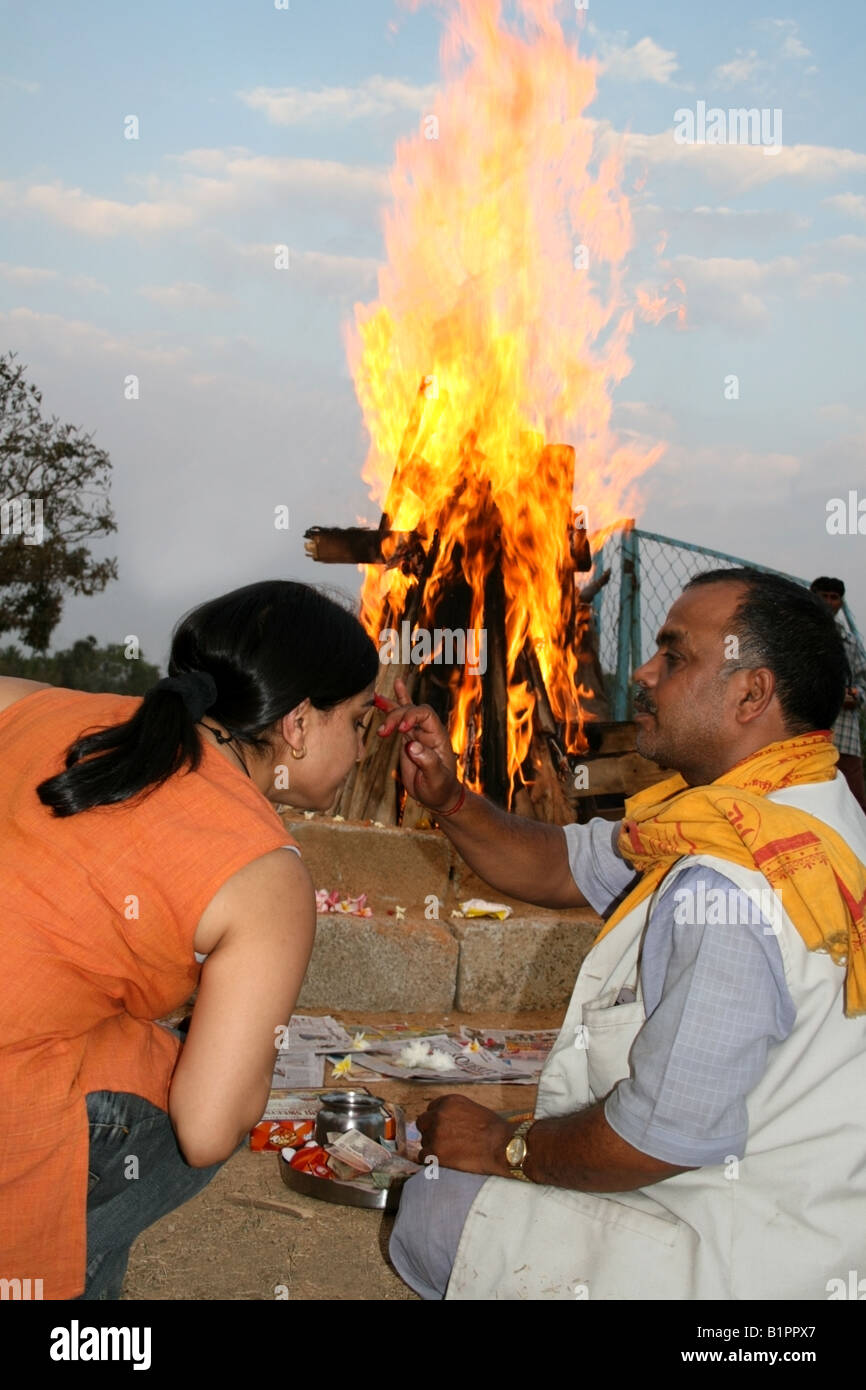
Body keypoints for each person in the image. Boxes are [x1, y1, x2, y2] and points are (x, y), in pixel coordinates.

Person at [383, 567, 866, 1300]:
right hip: (802, 1210)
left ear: (751, 693)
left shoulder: (729, 884)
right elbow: (561, 866)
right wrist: (450, 799)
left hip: (749, 1257)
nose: (643, 673)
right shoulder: (785, 809)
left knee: (437, 1208)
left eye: (674, 657)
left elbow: (660, 1137)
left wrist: (504, 1144)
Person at [0, 579, 379, 1300]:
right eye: (359, 721)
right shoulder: (266, 872)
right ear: (298, 725)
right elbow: (205, 1130)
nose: (364, 749)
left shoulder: (49, 709)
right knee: (209, 1094)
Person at [810, 576, 866, 813]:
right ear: (813, 595)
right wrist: (832, 693)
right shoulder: (798, 634)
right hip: (809, 731)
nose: (830, 602)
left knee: (854, 804)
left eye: (835, 597)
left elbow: (862, 680)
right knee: (809, 798)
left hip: (845, 736)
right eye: (824, 595)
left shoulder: (849, 642)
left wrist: (857, 695)